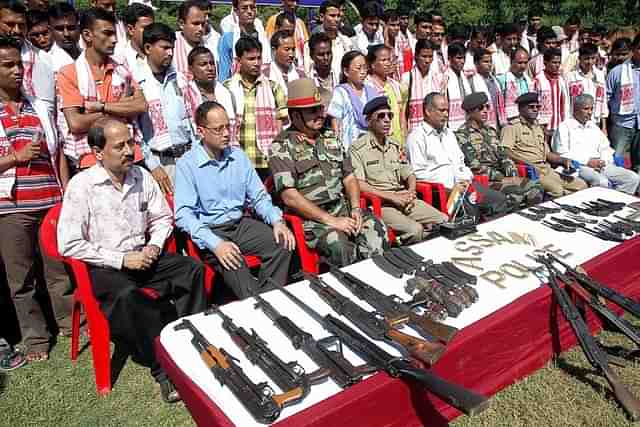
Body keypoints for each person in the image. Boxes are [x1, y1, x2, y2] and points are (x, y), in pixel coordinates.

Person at [58, 117, 207, 403]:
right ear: (98, 152)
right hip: (107, 265)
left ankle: (193, 339)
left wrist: (153, 245)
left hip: (144, 254)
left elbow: (163, 217)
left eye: (130, 143)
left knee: (193, 270)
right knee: (128, 296)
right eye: (119, 146)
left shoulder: (141, 176)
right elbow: (69, 243)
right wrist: (122, 260)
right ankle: (164, 370)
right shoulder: (82, 186)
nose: (129, 150)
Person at [175, 101, 294, 298]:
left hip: (240, 225)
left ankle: (267, 301)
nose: (225, 133)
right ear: (201, 131)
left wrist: (277, 220)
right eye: (218, 129)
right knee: (238, 271)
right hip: (212, 230)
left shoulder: (238, 157)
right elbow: (183, 215)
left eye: (227, 127)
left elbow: (258, 196)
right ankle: (259, 305)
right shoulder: (187, 165)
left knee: (283, 242)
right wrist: (215, 244)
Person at [0, 35, 70, 363]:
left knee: (58, 268)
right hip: (12, 207)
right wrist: (15, 157)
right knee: (21, 277)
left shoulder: (36, 105)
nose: (17, 71)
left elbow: (56, 152)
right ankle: (35, 337)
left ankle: (71, 322)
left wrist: (64, 189)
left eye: (19, 64)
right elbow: (16, 156)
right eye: (7, 65)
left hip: (50, 198)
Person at [269, 78, 389, 267]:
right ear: (295, 115)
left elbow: (349, 177)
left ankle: (375, 277)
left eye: (320, 108)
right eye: (312, 111)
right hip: (313, 222)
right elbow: (289, 197)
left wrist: (356, 208)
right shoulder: (281, 146)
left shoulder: (330, 137)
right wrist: (331, 220)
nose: (320, 114)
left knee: (376, 228)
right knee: (339, 244)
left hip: (344, 210)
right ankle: (352, 287)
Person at [58, 7, 147, 170]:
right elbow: (76, 123)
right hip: (91, 161)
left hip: (131, 155)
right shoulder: (69, 73)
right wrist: (120, 109)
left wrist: (101, 107)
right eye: (107, 33)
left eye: (114, 34)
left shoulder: (121, 68)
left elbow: (141, 105)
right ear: (87, 35)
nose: (114, 40)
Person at [350, 97, 446, 244]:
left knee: (443, 220)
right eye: (381, 116)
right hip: (381, 204)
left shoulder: (394, 145)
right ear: (369, 121)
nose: (387, 120)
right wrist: (392, 197)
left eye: (390, 115)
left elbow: (409, 173)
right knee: (415, 230)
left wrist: (411, 191)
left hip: (404, 199)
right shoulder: (358, 149)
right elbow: (360, 185)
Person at [134, 23, 194, 193]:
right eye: (164, 47)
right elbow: (135, 130)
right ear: (147, 48)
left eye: (172, 48)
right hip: (159, 164)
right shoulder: (136, 82)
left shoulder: (181, 79)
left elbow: (192, 123)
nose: (170, 53)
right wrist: (153, 166)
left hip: (187, 159)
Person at [456, 92, 543, 207]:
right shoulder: (462, 135)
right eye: (481, 108)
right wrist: (501, 178)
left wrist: (511, 172)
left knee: (536, 187)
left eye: (487, 107)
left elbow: (503, 155)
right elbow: (475, 166)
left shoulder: (490, 131)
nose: (486, 111)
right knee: (517, 194)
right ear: (470, 112)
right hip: (485, 180)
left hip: (503, 176)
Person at [223, 36, 287, 179]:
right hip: (237, 159)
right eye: (251, 59)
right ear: (238, 61)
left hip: (266, 160)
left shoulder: (273, 88)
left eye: (259, 58)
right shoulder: (226, 89)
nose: (257, 63)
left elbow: (280, 124)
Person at [501, 92, 587, 198]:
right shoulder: (512, 127)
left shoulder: (538, 127)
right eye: (531, 107)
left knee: (581, 185)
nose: (535, 109)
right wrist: (528, 164)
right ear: (520, 109)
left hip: (546, 169)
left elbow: (547, 154)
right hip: (530, 172)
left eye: (538, 106)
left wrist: (563, 160)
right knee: (558, 191)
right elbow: (505, 151)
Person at [553, 94, 639, 194]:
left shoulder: (593, 126)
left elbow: (605, 148)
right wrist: (588, 161)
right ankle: (600, 207)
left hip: (600, 165)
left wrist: (603, 160)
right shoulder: (565, 127)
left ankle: (615, 203)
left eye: (591, 109)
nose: (589, 112)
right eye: (586, 109)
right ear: (575, 109)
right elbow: (561, 153)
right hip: (579, 166)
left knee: (632, 178)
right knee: (601, 182)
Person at [405, 92, 472, 189]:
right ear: (428, 111)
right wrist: (450, 184)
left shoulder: (449, 134)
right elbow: (418, 173)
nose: (446, 114)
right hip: (441, 192)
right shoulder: (417, 137)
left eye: (447, 110)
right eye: (442, 110)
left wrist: (466, 178)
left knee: (496, 199)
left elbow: (461, 163)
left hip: (464, 186)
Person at [0, 0, 54, 107]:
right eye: (10, 24)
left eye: (21, 25)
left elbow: (47, 108)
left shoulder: (43, 60)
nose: (17, 30)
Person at [328, 50, 378, 150]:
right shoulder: (340, 93)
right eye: (359, 68)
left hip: (371, 147)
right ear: (346, 71)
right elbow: (335, 123)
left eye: (365, 68)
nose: (363, 72)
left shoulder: (372, 91)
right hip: (349, 147)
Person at [607, 34, 640, 172]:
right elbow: (606, 98)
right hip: (622, 124)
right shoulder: (617, 72)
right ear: (633, 49)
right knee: (616, 159)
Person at [218, 0, 271, 82]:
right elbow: (224, 73)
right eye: (244, 8)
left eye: (252, 7)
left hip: (263, 87)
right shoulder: (228, 39)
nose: (249, 11)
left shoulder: (263, 38)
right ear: (236, 11)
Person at [184, 46, 235, 126]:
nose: (210, 68)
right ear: (191, 69)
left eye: (212, 63)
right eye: (203, 64)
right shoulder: (186, 96)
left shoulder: (226, 93)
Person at [365, 44, 404, 143]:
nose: (388, 63)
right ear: (372, 64)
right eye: (383, 60)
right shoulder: (367, 86)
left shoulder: (394, 85)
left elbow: (401, 114)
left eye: (389, 60)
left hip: (397, 139)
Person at [565, 43, 608, 132]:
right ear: (579, 58)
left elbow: (603, 101)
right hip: (575, 122)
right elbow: (567, 102)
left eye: (593, 58)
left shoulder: (600, 76)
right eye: (586, 59)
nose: (590, 62)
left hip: (595, 122)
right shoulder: (570, 77)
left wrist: (604, 127)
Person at [304, 0, 353, 78]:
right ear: (322, 17)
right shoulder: (310, 44)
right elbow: (307, 71)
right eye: (332, 16)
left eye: (338, 16)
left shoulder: (346, 42)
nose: (336, 19)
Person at [402, 39, 442, 133]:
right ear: (416, 56)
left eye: (430, 56)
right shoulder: (407, 78)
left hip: (435, 131)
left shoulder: (438, 79)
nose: (427, 60)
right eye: (424, 56)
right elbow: (403, 111)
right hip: (414, 131)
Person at [533, 47, 570, 140]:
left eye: (559, 62)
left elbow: (566, 103)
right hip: (544, 127)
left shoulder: (561, 80)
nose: (557, 65)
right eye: (554, 62)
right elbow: (534, 104)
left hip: (560, 126)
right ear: (545, 62)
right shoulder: (538, 80)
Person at [265, 0, 308, 70]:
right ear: (282, 1)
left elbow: (305, 49)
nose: (295, 4)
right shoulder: (273, 20)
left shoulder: (300, 23)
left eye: (297, 1)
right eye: (292, 0)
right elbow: (267, 44)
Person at [470, 48, 506, 130]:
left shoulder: (495, 81)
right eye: (485, 62)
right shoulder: (471, 81)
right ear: (476, 63)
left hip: (497, 124)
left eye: (490, 61)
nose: (489, 64)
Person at [263, 30, 304, 96]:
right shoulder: (265, 75)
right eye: (287, 49)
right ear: (274, 50)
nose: (291, 54)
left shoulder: (301, 75)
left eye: (293, 49)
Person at [173, 0, 207, 76]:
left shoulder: (210, 45)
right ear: (181, 24)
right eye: (196, 23)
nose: (200, 28)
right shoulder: (171, 46)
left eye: (203, 24)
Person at [497, 47, 532, 121]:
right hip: (509, 122)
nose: (523, 66)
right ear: (511, 61)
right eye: (519, 63)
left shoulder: (528, 81)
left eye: (525, 62)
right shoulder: (502, 80)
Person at [118, 3, 154, 73]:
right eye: (146, 28)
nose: (151, 32)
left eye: (152, 27)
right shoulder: (119, 58)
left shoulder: (160, 52)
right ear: (131, 29)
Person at [444, 42, 471, 131]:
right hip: (450, 126)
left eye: (464, 58)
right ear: (449, 58)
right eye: (458, 58)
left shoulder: (465, 77)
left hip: (466, 122)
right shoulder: (444, 78)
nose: (462, 61)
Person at [48, 2, 82, 72]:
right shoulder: (48, 62)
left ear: (79, 27)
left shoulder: (88, 53)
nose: (66, 34)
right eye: (60, 29)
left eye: (71, 28)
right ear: (50, 30)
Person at [383, 9, 411, 80]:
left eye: (398, 25)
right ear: (385, 26)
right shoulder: (380, 44)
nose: (396, 28)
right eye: (392, 25)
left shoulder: (401, 42)